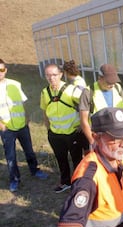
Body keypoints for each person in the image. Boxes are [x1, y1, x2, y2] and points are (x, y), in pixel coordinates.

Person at [0, 58, 48, 192]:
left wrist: (26, 117)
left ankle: (35, 170)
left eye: (2, 69)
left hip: (22, 125)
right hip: (6, 128)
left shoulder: (15, 84)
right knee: (10, 155)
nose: (0, 72)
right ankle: (14, 179)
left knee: (29, 150)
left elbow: (22, 102)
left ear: (6, 70)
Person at [40, 63, 84, 193]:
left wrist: (83, 124)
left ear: (60, 74)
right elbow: (44, 111)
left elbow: (86, 105)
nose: (51, 78)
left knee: (77, 160)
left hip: (72, 133)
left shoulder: (72, 90)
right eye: (48, 75)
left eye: (54, 75)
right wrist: (49, 129)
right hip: (55, 134)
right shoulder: (45, 92)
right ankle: (65, 182)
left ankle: (78, 183)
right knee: (61, 159)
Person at [79, 64, 123, 147]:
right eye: (108, 82)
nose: (112, 85)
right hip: (99, 138)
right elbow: (84, 121)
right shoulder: (88, 92)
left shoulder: (118, 88)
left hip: (118, 136)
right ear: (100, 78)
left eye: (114, 82)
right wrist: (93, 141)